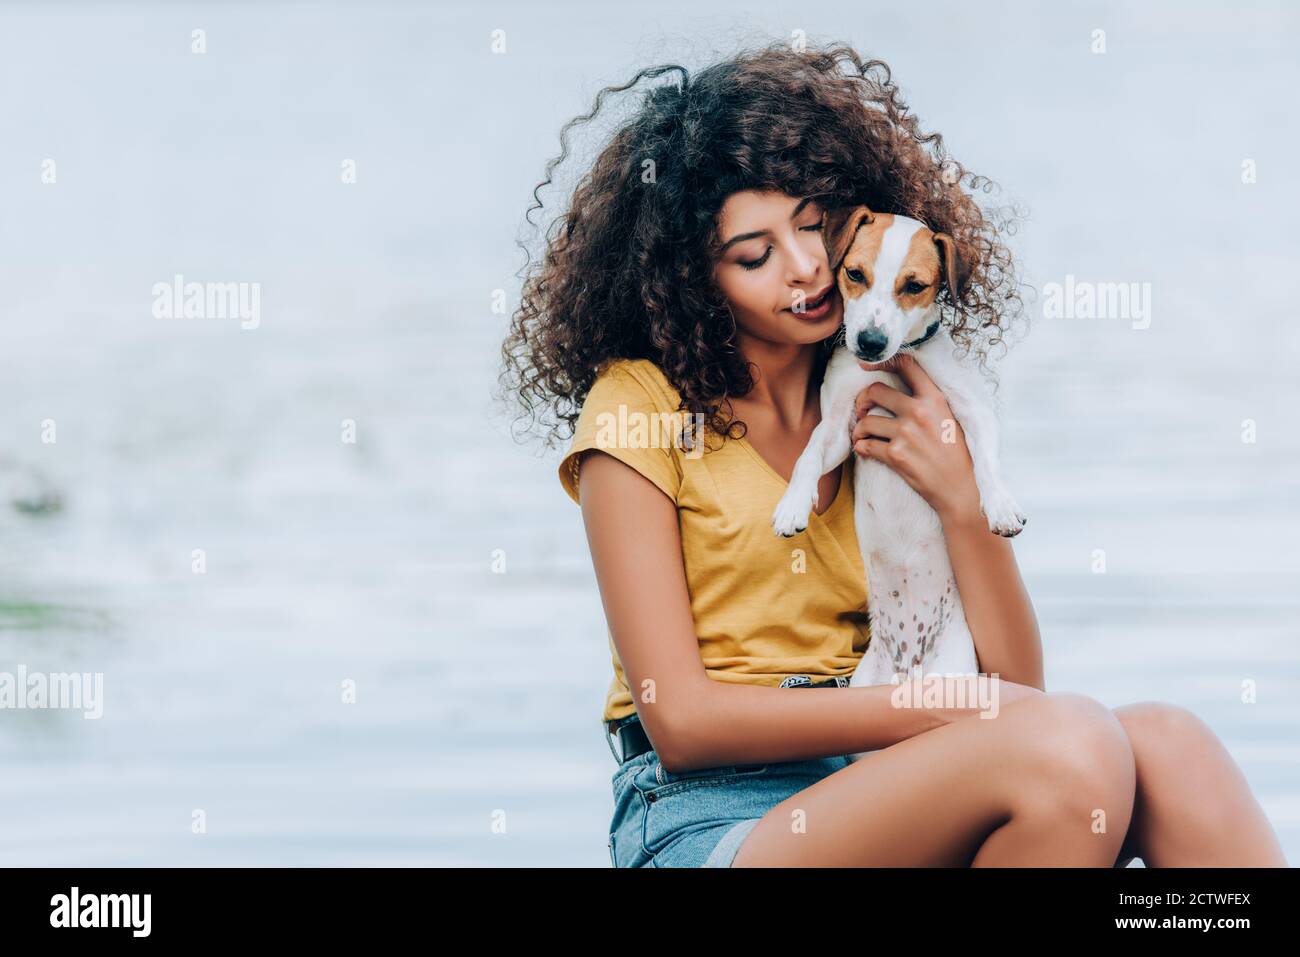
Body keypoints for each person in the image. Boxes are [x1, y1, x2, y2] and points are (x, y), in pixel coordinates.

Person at [497, 40, 1288, 867]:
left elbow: (1017, 683)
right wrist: (933, 708)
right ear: (691, 276)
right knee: (1072, 747)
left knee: (1171, 746)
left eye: (812, 227)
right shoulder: (638, 407)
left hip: (888, 771)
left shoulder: (895, 392)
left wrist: (959, 497)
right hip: (712, 812)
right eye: (755, 254)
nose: (805, 268)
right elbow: (684, 723)